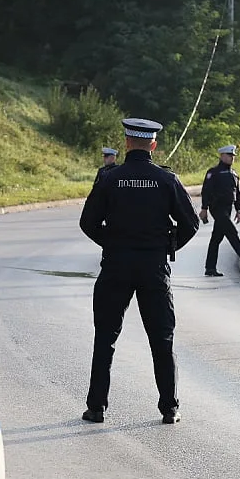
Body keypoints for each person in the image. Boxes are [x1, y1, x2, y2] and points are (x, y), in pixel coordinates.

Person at [79, 118, 199, 425]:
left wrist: (113, 243)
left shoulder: (109, 178)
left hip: (116, 266)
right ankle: (169, 408)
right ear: (154, 146)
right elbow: (191, 223)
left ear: (127, 142)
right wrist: (167, 246)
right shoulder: (166, 180)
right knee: (162, 339)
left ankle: (96, 408)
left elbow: (87, 223)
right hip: (153, 268)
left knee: (105, 337)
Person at [199, 145, 240, 277]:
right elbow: (206, 191)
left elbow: (237, 193)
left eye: (233, 156)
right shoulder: (213, 172)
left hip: (228, 208)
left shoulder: (234, 173)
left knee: (216, 238)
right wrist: (204, 208)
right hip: (217, 208)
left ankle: (210, 268)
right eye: (229, 155)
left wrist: (239, 209)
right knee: (232, 233)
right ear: (222, 156)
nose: (232, 158)